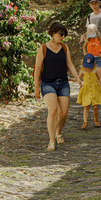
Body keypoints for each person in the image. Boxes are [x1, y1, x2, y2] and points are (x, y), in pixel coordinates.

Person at [34, 22, 82, 151]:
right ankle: (51, 140)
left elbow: (70, 65)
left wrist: (77, 78)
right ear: (53, 33)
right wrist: (36, 87)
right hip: (47, 83)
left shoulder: (65, 48)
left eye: (64, 35)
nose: (62, 37)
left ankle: (58, 132)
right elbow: (38, 68)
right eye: (61, 34)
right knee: (53, 110)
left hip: (63, 83)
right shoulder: (43, 48)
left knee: (64, 113)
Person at [77, 53, 101, 127]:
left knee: (95, 106)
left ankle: (96, 120)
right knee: (86, 106)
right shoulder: (83, 71)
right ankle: (85, 122)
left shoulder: (95, 70)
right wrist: (71, 79)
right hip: (86, 90)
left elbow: (99, 78)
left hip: (94, 89)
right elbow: (78, 78)